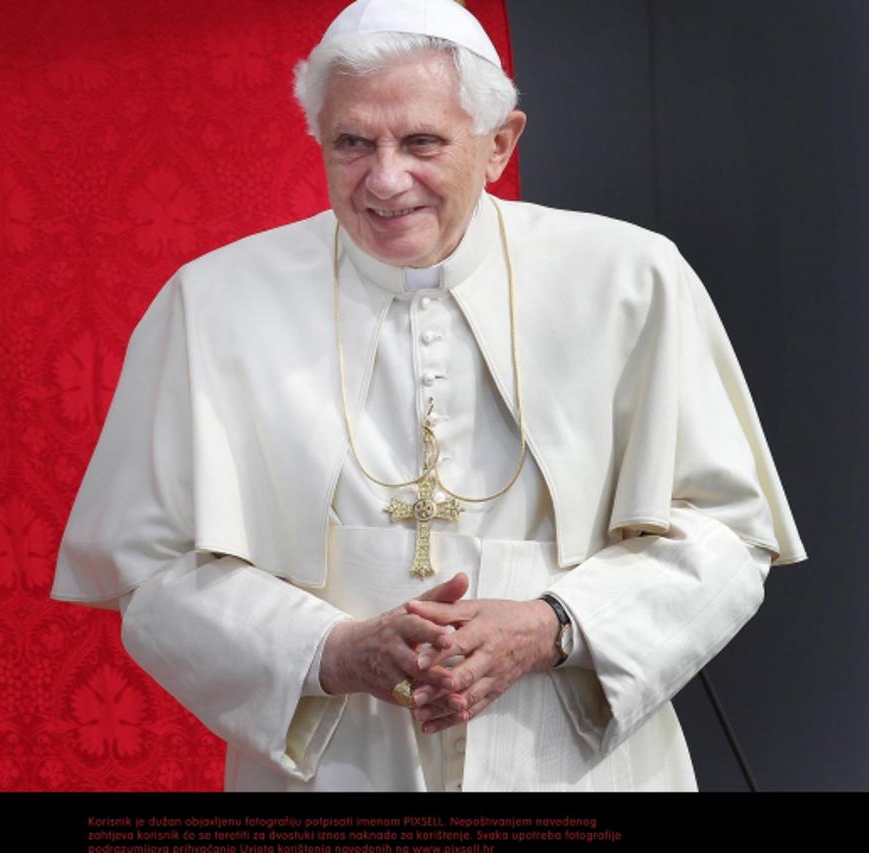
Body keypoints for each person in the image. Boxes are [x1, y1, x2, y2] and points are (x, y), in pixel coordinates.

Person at [51, 0, 805, 791]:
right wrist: (330, 650)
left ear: (498, 144)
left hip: (577, 767)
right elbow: (150, 569)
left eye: (420, 142)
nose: (384, 179)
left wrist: (552, 626)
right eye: (352, 142)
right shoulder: (211, 305)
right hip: (340, 768)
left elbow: (726, 530)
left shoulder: (630, 280)